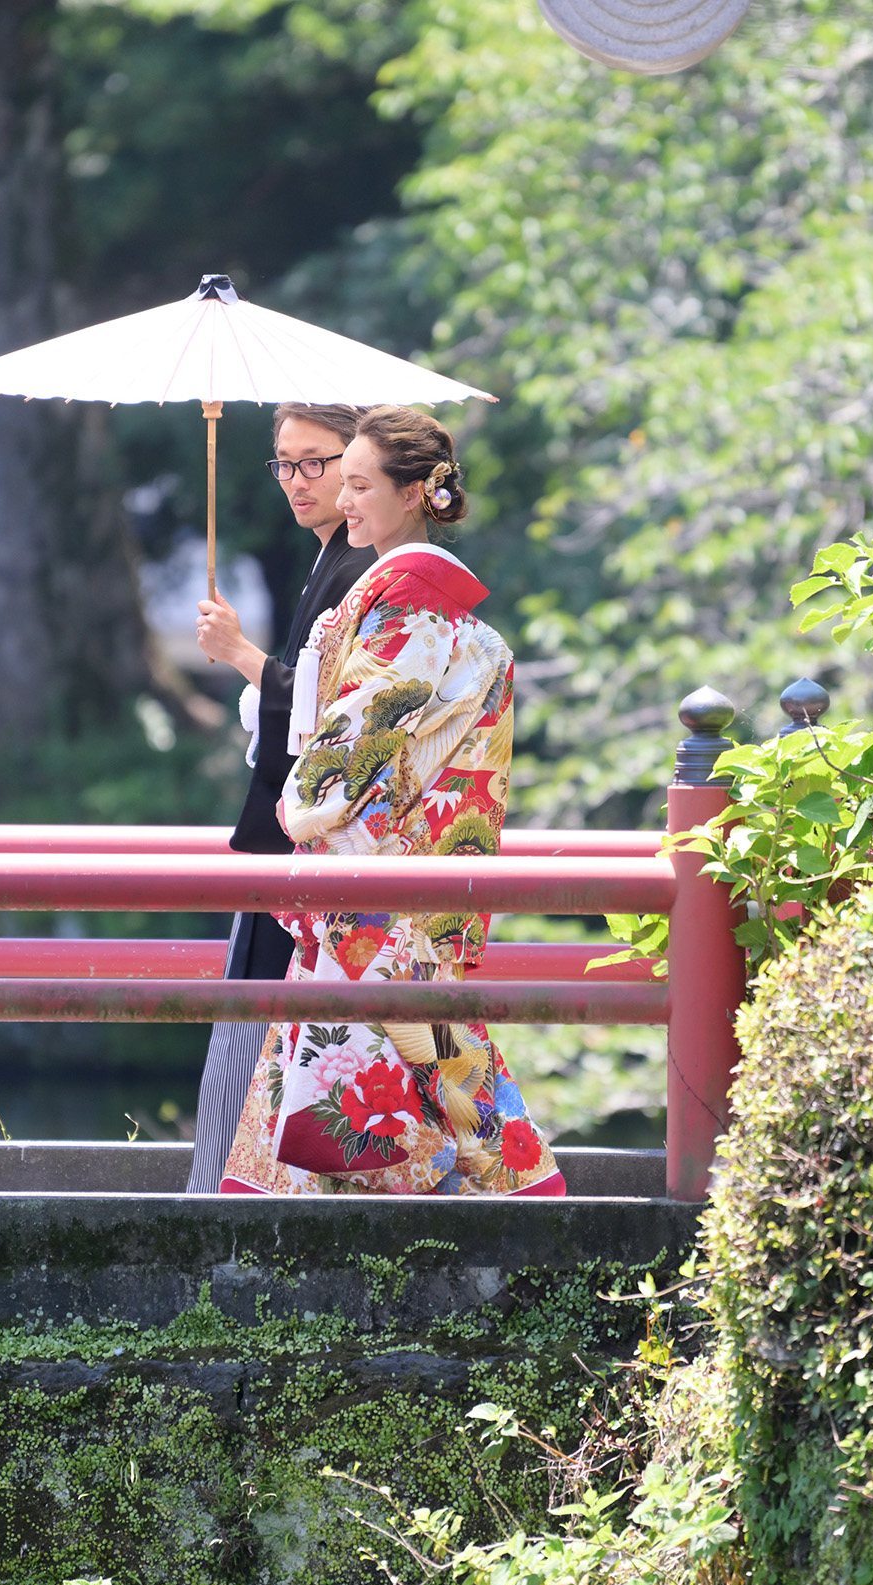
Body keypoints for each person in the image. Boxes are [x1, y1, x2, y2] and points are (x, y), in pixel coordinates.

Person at [218, 406, 563, 1196]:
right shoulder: (437, 611)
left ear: (414, 495)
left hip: (379, 885)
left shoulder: (407, 609)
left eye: (361, 483)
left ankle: (518, 1199)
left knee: (400, 1060)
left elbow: (338, 768)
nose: (344, 500)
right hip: (424, 869)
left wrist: (296, 805)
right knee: (418, 1059)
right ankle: (508, 1203)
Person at [185, 403, 376, 1192]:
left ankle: (235, 1199)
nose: (298, 483)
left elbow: (330, 711)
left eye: (317, 463)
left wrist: (241, 655)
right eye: (285, 465)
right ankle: (227, 1190)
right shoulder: (332, 559)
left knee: (269, 1031)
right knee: (256, 1033)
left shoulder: (365, 570)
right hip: (289, 826)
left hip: (310, 840)